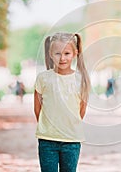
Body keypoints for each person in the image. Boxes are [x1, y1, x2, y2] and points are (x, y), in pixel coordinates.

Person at [34, 32, 90, 172]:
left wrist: (68, 126)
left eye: (67, 53)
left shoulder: (80, 80)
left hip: (71, 141)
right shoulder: (43, 78)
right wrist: (48, 128)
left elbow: (81, 110)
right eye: (58, 53)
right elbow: (37, 108)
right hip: (47, 141)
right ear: (50, 54)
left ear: (75, 53)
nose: (62, 58)